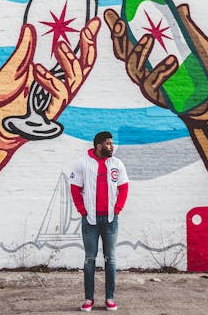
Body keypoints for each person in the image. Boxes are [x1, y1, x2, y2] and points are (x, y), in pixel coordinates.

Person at [69, 131, 129, 311]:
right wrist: (82, 211)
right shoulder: (83, 163)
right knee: (89, 259)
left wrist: (117, 209)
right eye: (109, 143)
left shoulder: (117, 164)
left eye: (112, 143)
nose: (112, 146)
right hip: (91, 220)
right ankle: (89, 299)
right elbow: (75, 188)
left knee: (110, 259)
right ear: (99, 145)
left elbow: (124, 187)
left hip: (110, 219)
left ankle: (109, 298)